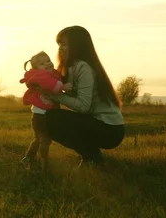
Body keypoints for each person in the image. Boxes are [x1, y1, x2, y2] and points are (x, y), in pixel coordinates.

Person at [45, 25, 125, 166]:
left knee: (51, 119)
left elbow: (83, 107)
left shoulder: (83, 67)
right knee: (47, 118)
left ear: (76, 46)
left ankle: (92, 156)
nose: (60, 48)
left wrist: (53, 95)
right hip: (95, 123)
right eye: (59, 44)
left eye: (64, 44)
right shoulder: (69, 68)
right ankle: (91, 155)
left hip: (110, 130)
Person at [19, 51, 72, 170]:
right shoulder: (40, 76)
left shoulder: (52, 74)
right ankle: (43, 163)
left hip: (46, 114)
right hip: (40, 116)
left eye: (48, 61)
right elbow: (48, 83)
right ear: (36, 68)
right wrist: (62, 87)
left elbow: (58, 78)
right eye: (43, 64)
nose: (47, 64)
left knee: (40, 139)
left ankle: (28, 157)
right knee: (44, 140)